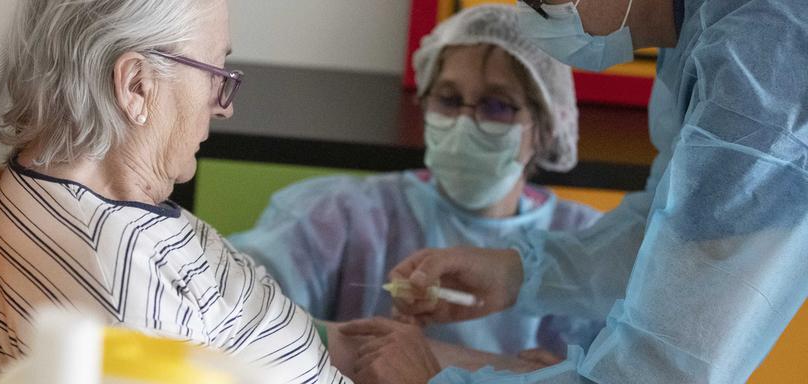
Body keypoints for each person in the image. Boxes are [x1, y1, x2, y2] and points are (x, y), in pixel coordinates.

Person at [341, 0, 808, 383]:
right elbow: (682, 234)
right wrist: (520, 273)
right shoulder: (702, 35)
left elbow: (664, 373)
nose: (531, 13)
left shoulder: (765, 59)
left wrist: (433, 380)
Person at [0, 1, 352, 382]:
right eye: (215, 74)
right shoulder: (124, 287)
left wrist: (342, 344)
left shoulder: (80, 195)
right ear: (136, 85)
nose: (225, 108)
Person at [229, 4, 603, 365]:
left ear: (545, 126)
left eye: (497, 104)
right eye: (449, 99)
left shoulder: (585, 244)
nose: (463, 122)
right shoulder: (342, 216)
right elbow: (228, 305)